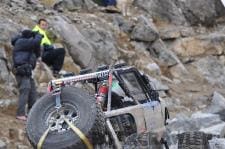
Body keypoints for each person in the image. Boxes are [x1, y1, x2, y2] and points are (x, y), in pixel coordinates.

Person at [11, 30, 43, 121]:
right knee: (25, 90)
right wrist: (38, 35)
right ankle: (20, 114)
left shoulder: (28, 46)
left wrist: (37, 44)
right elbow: (36, 41)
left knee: (33, 92)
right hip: (22, 70)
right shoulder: (21, 42)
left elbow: (38, 52)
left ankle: (31, 114)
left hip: (28, 71)